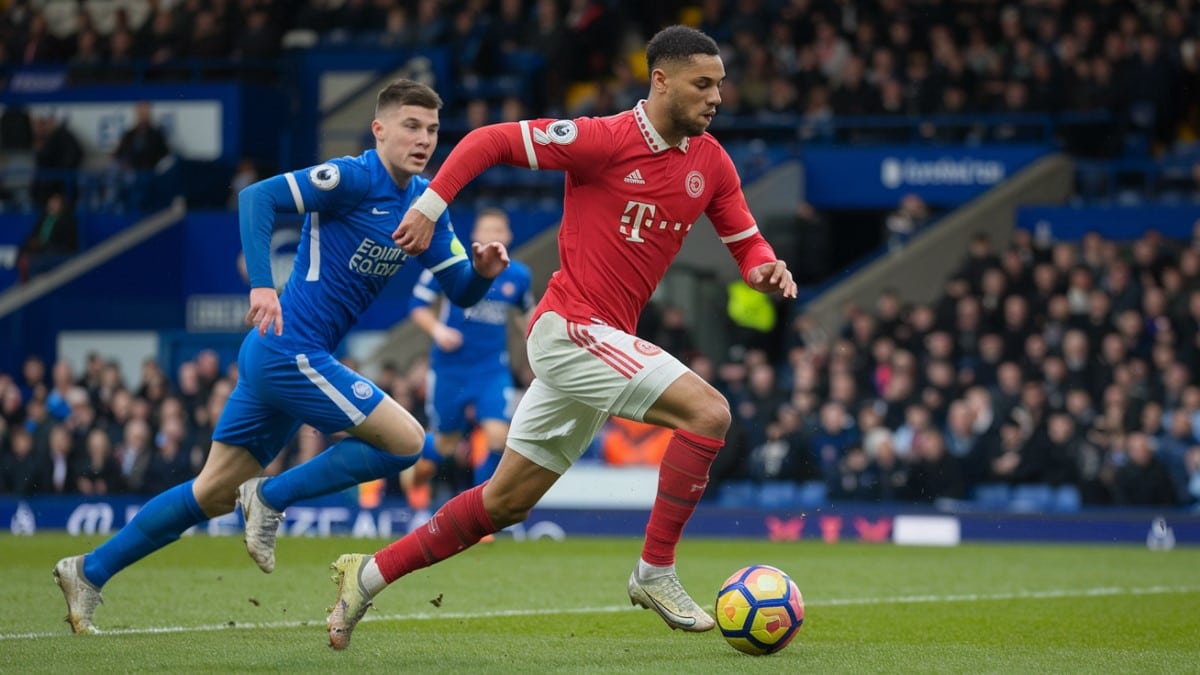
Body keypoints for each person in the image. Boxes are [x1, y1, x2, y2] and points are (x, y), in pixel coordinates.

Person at [325, 25, 798, 650]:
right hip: (571, 328)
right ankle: (654, 571)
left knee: (504, 504)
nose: (716, 97)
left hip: (600, 342)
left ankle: (368, 573)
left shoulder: (711, 162)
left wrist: (764, 267)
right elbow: (489, 140)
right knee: (710, 412)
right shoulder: (603, 139)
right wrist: (432, 205)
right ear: (661, 81)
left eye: (720, 85)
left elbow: (746, 242)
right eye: (702, 84)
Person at [53, 79, 510, 634]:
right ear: (380, 129)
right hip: (286, 348)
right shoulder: (353, 176)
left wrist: (482, 274)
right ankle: (270, 495)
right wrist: (262, 286)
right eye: (411, 126)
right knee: (407, 441)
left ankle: (88, 571)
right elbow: (257, 197)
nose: (424, 139)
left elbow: (459, 288)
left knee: (211, 491)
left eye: (433, 129)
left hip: (287, 356)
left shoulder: (426, 203)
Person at [403, 207, 535, 496]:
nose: (492, 236)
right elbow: (417, 306)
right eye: (486, 230)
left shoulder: (519, 275)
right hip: (450, 368)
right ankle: (407, 449)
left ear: (509, 236)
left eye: (498, 231)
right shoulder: (451, 264)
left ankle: (478, 509)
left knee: (498, 437)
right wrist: (439, 331)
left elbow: (527, 315)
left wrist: (539, 348)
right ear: (475, 234)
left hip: (492, 368)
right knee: (445, 444)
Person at [17, 191, 79, 283]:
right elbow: (34, 233)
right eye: (51, 202)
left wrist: (44, 243)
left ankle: (39, 278)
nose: (52, 205)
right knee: (23, 248)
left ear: (62, 205)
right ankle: (24, 278)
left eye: (55, 203)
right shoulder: (44, 217)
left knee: (44, 253)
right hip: (42, 246)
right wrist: (32, 241)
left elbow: (67, 240)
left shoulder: (67, 220)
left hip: (58, 247)